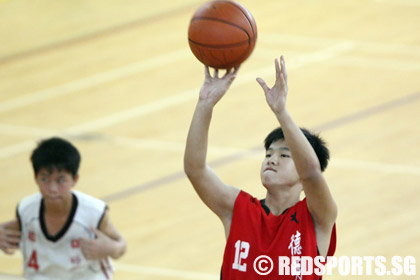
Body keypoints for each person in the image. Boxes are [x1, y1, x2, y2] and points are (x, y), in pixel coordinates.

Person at [184, 56, 337, 279]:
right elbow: (195, 169)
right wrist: (205, 104)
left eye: (284, 155)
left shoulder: (318, 218)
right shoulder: (238, 209)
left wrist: (281, 113)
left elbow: (312, 172)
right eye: (268, 154)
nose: (272, 159)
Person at [0, 137, 126, 279]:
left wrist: (112, 249)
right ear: (35, 178)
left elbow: (121, 246)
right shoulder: (26, 209)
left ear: (75, 179)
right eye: (45, 179)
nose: (52, 189)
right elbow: (7, 232)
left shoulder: (94, 212)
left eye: (61, 180)